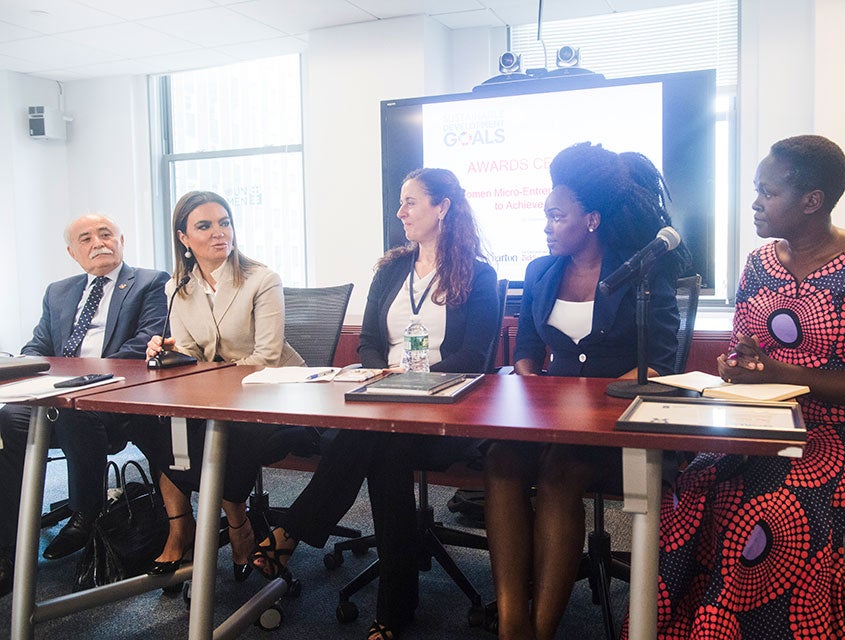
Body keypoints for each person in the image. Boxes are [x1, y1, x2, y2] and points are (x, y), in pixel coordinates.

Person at [637, 135, 845, 639]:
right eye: (755, 189)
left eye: (767, 192)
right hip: (764, 419)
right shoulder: (760, 263)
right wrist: (737, 366)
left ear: (811, 201)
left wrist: (779, 373)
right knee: (694, 487)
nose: (755, 202)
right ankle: (691, 627)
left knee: (774, 506)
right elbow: (745, 349)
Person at [250, 168, 500, 640]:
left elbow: (476, 355)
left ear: (442, 207)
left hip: (442, 408)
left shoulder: (479, 274)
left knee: (379, 446)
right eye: (400, 203)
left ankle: (293, 533)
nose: (400, 212)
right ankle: (393, 609)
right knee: (382, 448)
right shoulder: (390, 270)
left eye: (411, 202)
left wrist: (415, 381)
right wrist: (382, 374)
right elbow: (367, 341)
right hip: (380, 399)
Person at [483, 142, 687, 640]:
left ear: (591, 219)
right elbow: (527, 348)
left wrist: (597, 402)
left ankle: (541, 629)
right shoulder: (540, 272)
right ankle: (512, 623)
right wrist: (532, 389)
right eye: (546, 216)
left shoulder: (641, 273)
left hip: (616, 429)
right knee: (500, 462)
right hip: (548, 422)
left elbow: (661, 362)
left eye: (557, 216)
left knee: (559, 473)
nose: (547, 226)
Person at [0, 214, 168, 596]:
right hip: (61, 393)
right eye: (86, 238)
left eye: (106, 234)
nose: (98, 243)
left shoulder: (150, 282)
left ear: (122, 240)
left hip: (115, 396)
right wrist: (34, 371)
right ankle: (9, 547)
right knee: (10, 418)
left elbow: (145, 342)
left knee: (74, 412)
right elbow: (37, 345)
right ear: (73, 252)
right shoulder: (58, 291)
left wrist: (83, 377)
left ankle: (86, 511)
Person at [141, 190, 305, 581]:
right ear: (183, 238)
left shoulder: (262, 279)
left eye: (225, 222)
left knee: (226, 435)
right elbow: (191, 355)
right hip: (217, 398)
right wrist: (170, 352)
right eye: (204, 226)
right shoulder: (177, 288)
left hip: (275, 395)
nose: (219, 233)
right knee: (155, 425)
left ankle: (238, 524)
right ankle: (196, 524)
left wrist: (203, 372)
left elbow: (265, 357)